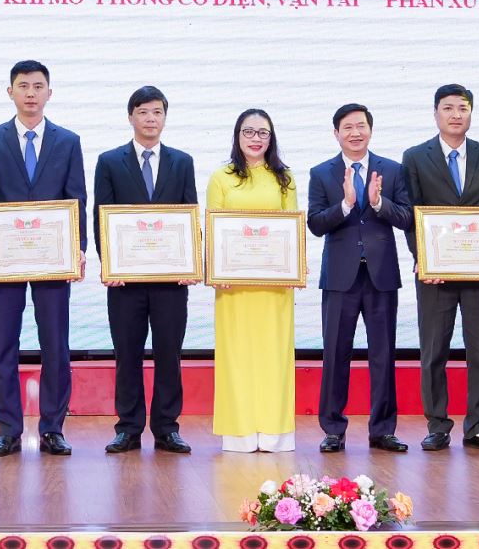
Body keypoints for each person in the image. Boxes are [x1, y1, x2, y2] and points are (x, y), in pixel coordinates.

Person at [0, 60, 88, 458]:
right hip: (4, 260)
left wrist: (79, 247)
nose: (31, 93)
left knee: (56, 345)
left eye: (38, 86)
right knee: (3, 345)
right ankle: (8, 430)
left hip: (54, 259)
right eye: (23, 86)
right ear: (11, 92)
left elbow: (77, 198)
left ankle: (53, 428)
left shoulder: (68, 141)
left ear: (49, 92)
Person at [401, 83, 479, 452]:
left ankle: (478, 425)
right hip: (435, 273)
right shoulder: (415, 157)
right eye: (448, 108)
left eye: (462, 108)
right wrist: (421, 257)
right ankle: (437, 425)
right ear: (435, 114)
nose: (456, 114)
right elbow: (412, 214)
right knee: (434, 351)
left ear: (471, 113)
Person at [94, 86, 197, 454]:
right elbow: (102, 217)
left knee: (169, 354)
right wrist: (109, 264)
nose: (150, 119)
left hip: (171, 281)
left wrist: (191, 262)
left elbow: (189, 214)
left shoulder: (182, 162)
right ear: (131, 117)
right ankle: (128, 428)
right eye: (143, 112)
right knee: (128, 354)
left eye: (157, 112)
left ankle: (167, 428)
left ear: (165, 118)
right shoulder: (110, 161)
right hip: (126, 281)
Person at [307, 103, 412, 453]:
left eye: (361, 126)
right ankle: (333, 430)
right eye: (348, 127)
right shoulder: (321, 173)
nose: (355, 133)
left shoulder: (392, 170)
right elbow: (315, 223)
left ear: (370, 130)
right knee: (336, 354)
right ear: (336, 133)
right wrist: (346, 205)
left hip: (381, 276)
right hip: (340, 278)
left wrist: (379, 203)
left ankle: (383, 429)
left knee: (383, 355)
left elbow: (406, 218)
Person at [210, 108, 300, 452]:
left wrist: (293, 268)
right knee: (237, 357)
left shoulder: (284, 179)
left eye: (263, 132)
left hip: (275, 287)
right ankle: (240, 434)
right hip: (233, 288)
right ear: (237, 136)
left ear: (271, 138)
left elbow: (292, 228)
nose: (256, 138)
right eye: (249, 132)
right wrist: (216, 270)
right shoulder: (221, 177)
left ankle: (275, 433)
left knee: (273, 358)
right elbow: (212, 226)